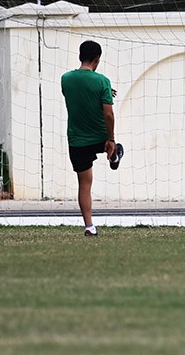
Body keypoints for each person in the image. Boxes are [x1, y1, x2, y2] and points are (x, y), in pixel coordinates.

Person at [61, 40, 124, 236]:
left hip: (77, 140)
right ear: (97, 59)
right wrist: (111, 138)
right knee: (114, 146)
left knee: (85, 184)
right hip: (100, 138)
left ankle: (89, 227)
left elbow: (78, 95)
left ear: (80, 56)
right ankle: (113, 153)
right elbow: (108, 114)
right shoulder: (103, 81)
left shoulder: (66, 79)